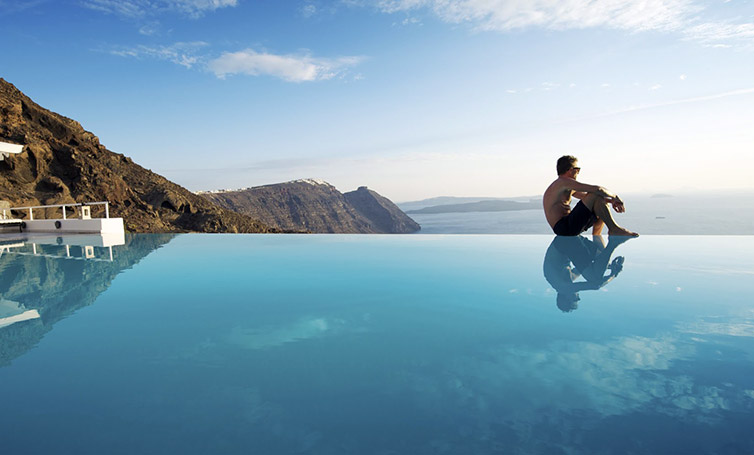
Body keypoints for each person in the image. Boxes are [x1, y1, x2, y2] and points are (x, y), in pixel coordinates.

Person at [543, 155, 638, 236]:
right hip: (564, 227)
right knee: (595, 194)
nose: (578, 173)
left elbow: (588, 198)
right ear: (570, 170)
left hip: (567, 227)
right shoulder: (563, 183)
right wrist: (615, 197)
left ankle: (597, 236)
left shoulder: (564, 186)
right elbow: (597, 189)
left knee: (600, 200)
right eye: (578, 169)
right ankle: (614, 229)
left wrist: (611, 201)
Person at [543, 235, 629, 312]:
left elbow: (596, 285)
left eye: (575, 300)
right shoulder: (566, 278)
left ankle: (613, 242)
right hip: (570, 239)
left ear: (566, 298)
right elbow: (584, 267)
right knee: (602, 261)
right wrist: (610, 266)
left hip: (566, 242)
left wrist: (613, 275)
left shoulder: (562, 287)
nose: (579, 298)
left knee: (594, 277)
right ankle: (598, 230)